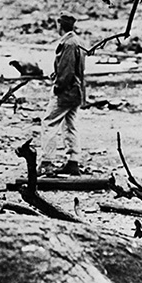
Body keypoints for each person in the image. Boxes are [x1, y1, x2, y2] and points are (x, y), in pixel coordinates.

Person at [37, 14, 89, 175]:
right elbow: (75, 69)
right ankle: (73, 162)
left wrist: (58, 86)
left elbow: (67, 71)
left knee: (49, 123)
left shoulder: (68, 43)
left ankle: (47, 161)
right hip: (76, 91)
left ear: (61, 26)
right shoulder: (77, 42)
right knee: (70, 125)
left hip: (66, 92)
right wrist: (57, 75)